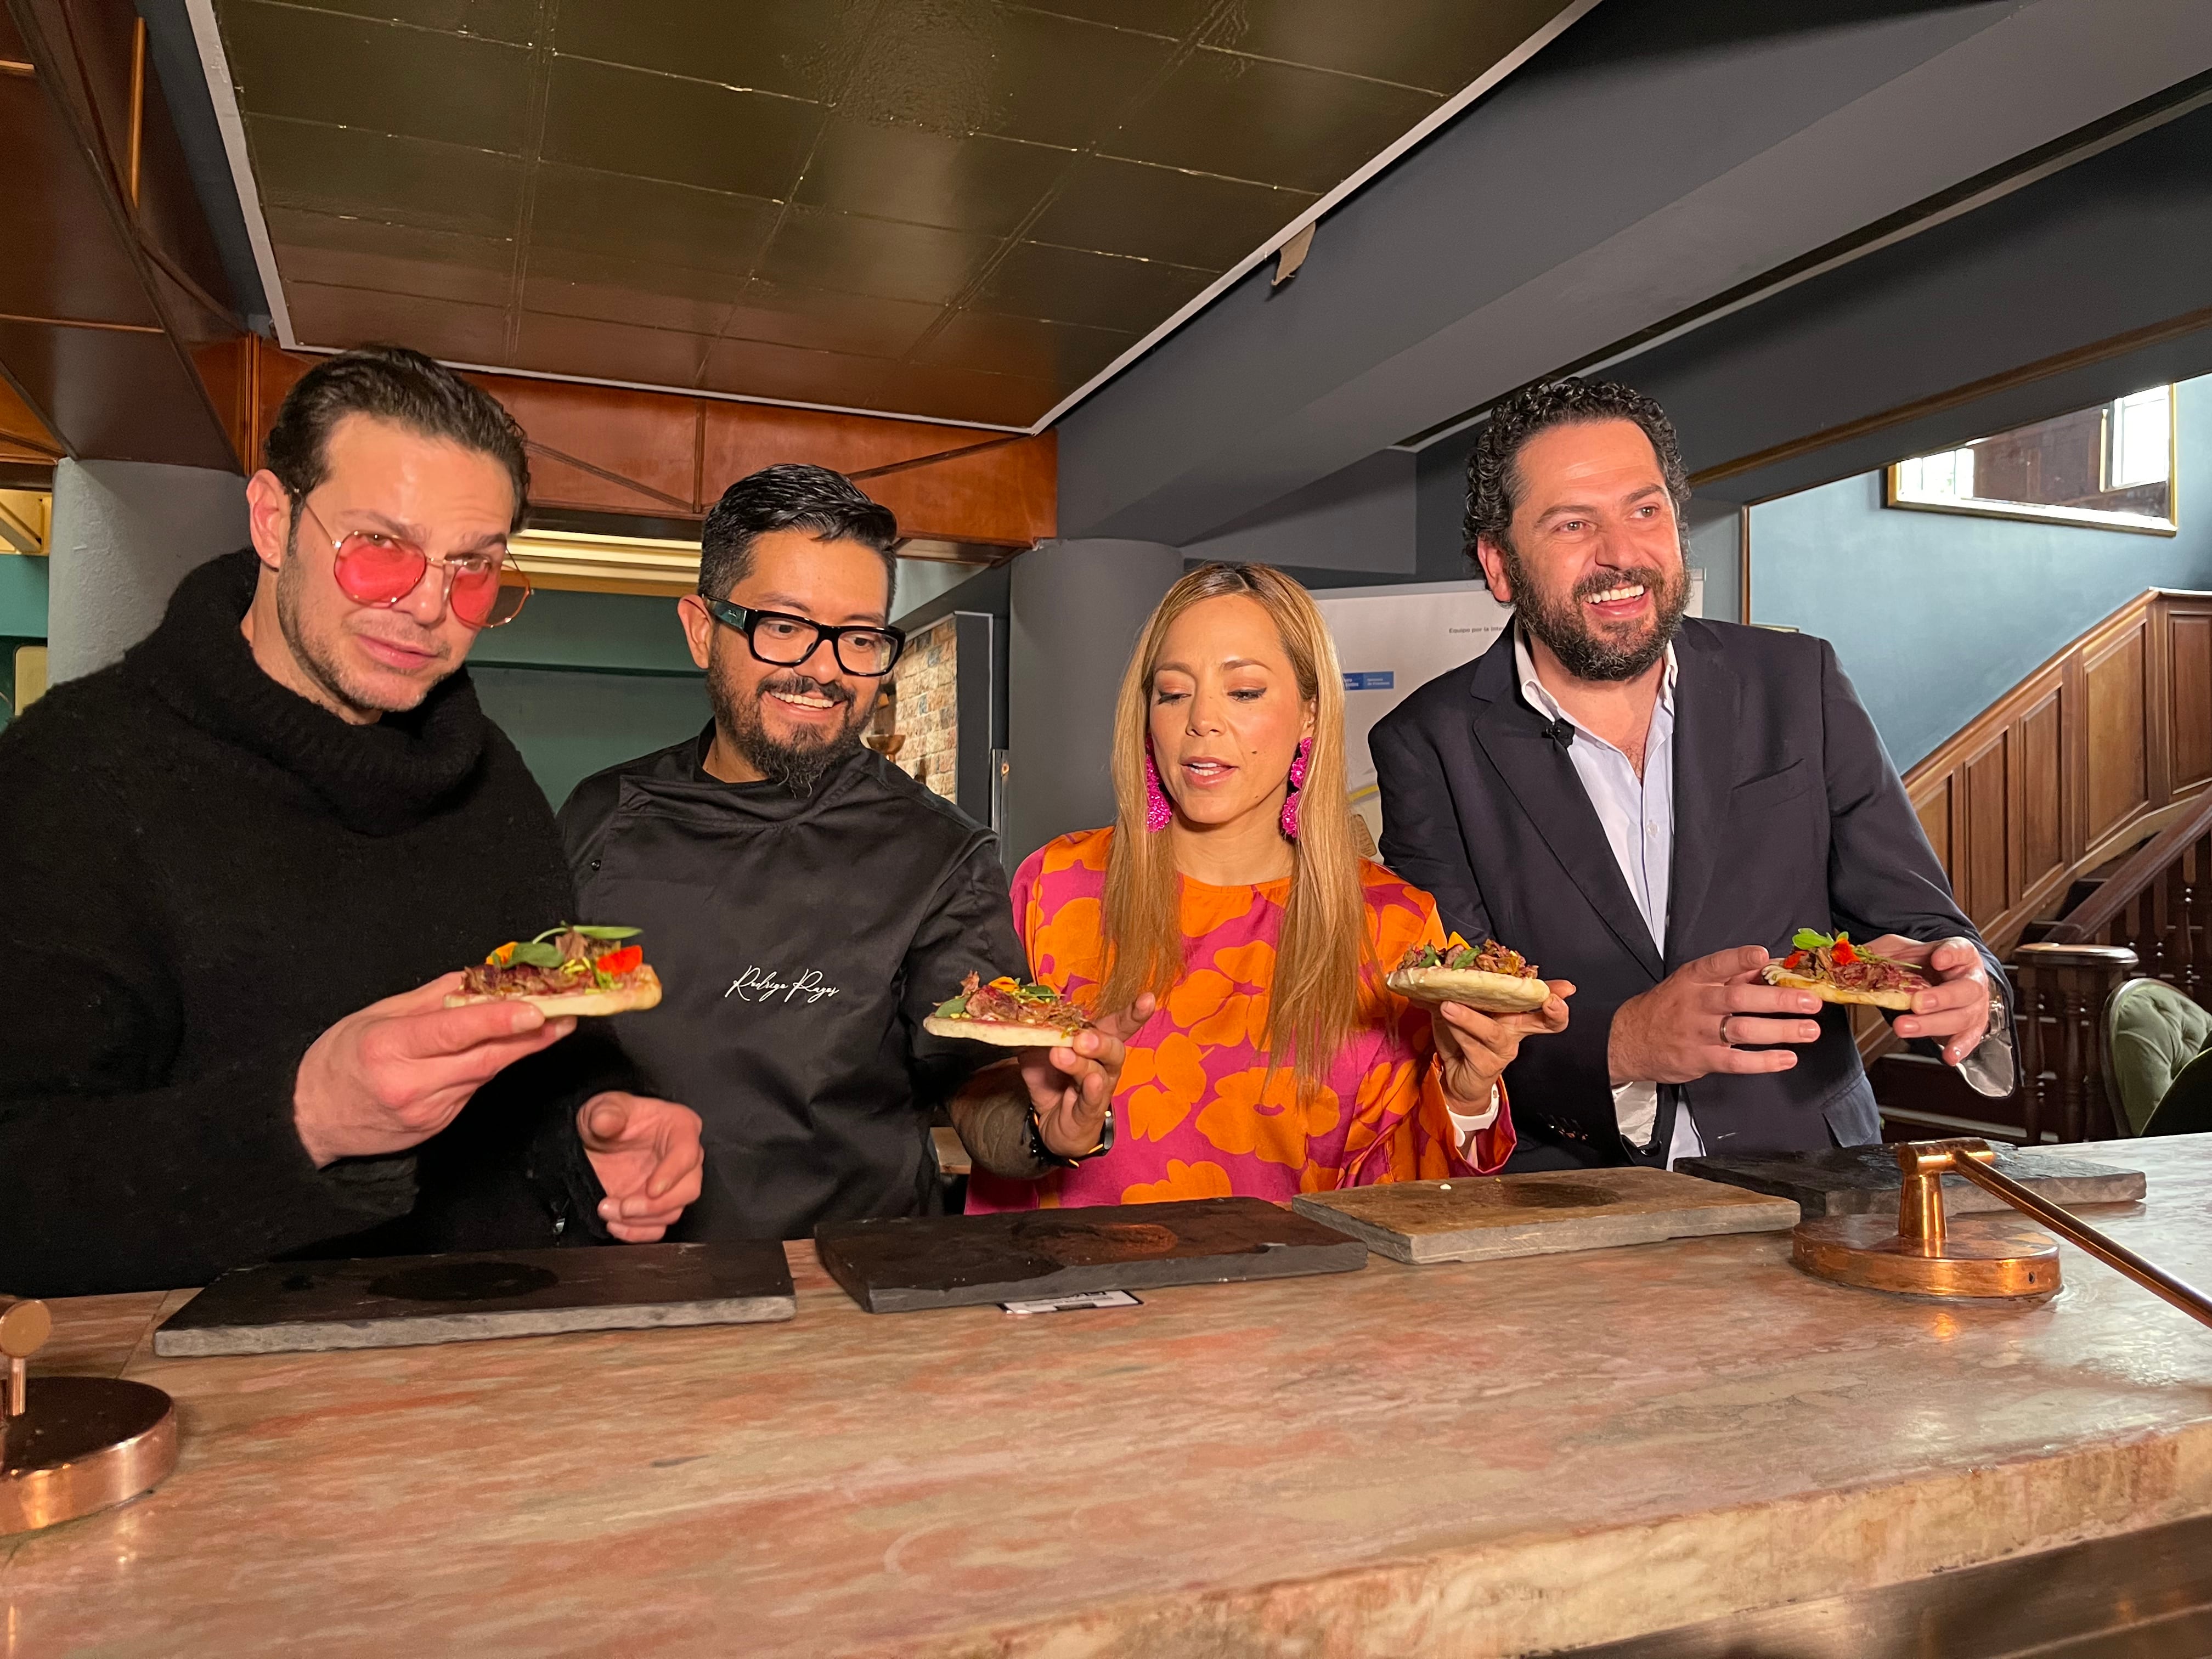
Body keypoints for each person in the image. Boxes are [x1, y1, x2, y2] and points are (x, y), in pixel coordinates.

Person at [0, 346, 705, 1298]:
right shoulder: (70, 775)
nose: (429, 607)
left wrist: (597, 1132)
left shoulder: (490, 775)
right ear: (273, 519)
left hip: (501, 1349)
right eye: (380, 545)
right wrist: (306, 1116)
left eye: (473, 567)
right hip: (208, 1376)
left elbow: (539, 1064)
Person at [1371, 377, 2012, 1170]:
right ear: (1500, 566)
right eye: (1574, 524)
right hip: (1571, 1200)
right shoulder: (1425, 743)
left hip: (1815, 1180)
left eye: (1645, 511)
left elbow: (1926, 924)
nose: (1622, 554)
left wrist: (1962, 982)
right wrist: (1620, 1044)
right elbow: (1456, 1007)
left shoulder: (1799, 681)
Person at [559, 465, 1139, 1240]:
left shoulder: (939, 852)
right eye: (784, 626)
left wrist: (1048, 1128)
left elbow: (980, 1090)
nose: (825, 669)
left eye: (860, 637)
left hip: (843, 1280)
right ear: (702, 630)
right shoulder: (599, 812)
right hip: (612, 1269)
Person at [966, 562, 1572, 1212]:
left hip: (1307, 1279)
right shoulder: (1057, 886)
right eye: (1172, 693)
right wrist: (1041, 1133)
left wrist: (1466, 1095)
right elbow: (974, 1099)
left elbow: (1402, 1197)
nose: (1202, 720)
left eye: (1245, 692)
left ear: (1310, 713)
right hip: (1068, 1274)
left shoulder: (1391, 925)